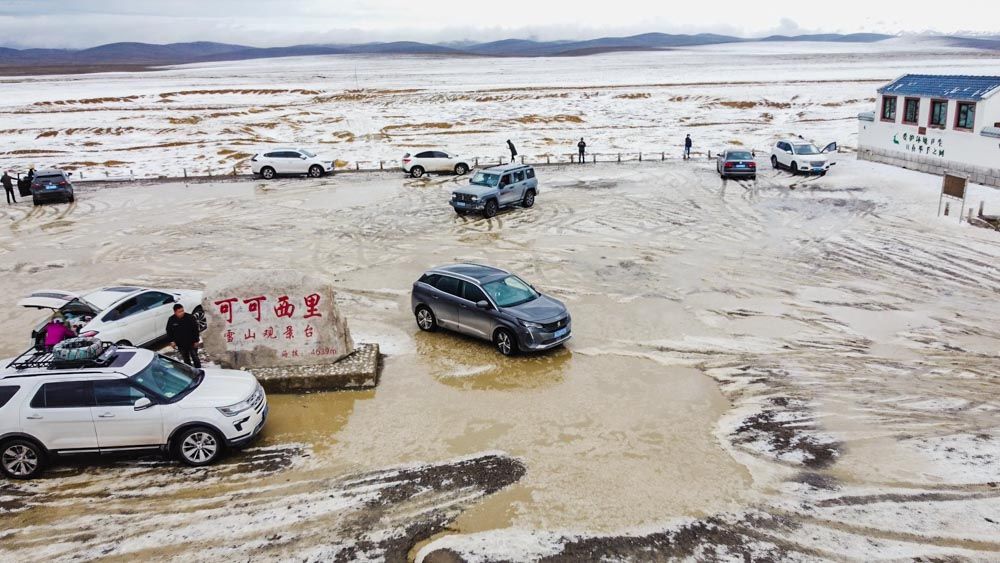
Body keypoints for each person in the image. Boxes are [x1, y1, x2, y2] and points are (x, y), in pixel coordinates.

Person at [166, 304, 202, 368]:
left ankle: (199, 369)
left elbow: (196, 330)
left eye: (182, 311)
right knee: (186, 359)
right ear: (175, 312)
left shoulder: (190, 317)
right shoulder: (171, 319)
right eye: (179, 312)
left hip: (192, 342)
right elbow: (169, 331)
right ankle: (189, 371)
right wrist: (172, 341)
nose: (182, 313)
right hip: (181, 344)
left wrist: (197, 340)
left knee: (195, 357)